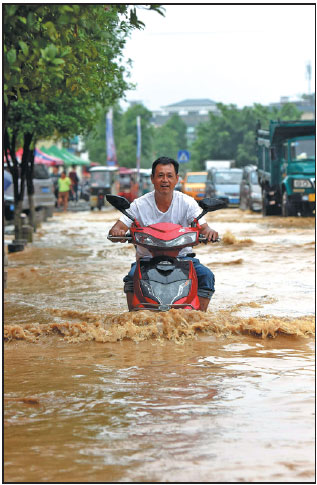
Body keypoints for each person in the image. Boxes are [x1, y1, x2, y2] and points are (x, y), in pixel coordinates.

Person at [108, 156, 219, 312]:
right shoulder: (139, 204)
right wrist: (117, 232)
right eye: (160, 175)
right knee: (132, 277)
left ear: (176, 179)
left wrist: (210, 232)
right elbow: (117, 227)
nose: (165, 180)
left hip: (183, 259)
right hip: (147, 260)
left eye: (169, 176)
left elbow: (203, 227)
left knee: (206, 276)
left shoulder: (187, 203)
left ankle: (199, 319)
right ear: (153, 179)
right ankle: (133, 319)